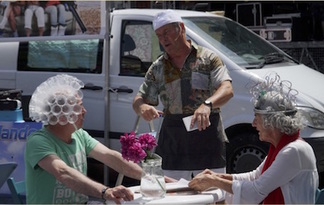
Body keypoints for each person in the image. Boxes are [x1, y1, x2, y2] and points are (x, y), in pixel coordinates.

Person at [132, 10, 234, 180]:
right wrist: (142, 107)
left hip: (208, 143)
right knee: (174, 196)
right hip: (173, 145)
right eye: (159, 35)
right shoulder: (158, 67)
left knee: (213, 196)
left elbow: (227, 89)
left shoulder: (208, 58)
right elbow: (138, 99)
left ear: (181, 28)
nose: (163, 39)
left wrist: (207, 104)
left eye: (167, 32)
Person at [188, 73, 319, 204]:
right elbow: (254, 176)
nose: (253, 124)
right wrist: (217, 176)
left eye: (257, 118)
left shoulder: (294, 150)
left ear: (271, 122)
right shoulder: (283, 147)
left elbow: (256, 191)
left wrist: (214, 181)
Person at [25, 74, 143, 204]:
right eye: (79, 107)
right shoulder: (38, 141)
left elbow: (111, 157)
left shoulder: (79, 135)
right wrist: (105, 191)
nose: (85, 111)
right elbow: (62, 172)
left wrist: (150, 177)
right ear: (62, 117)